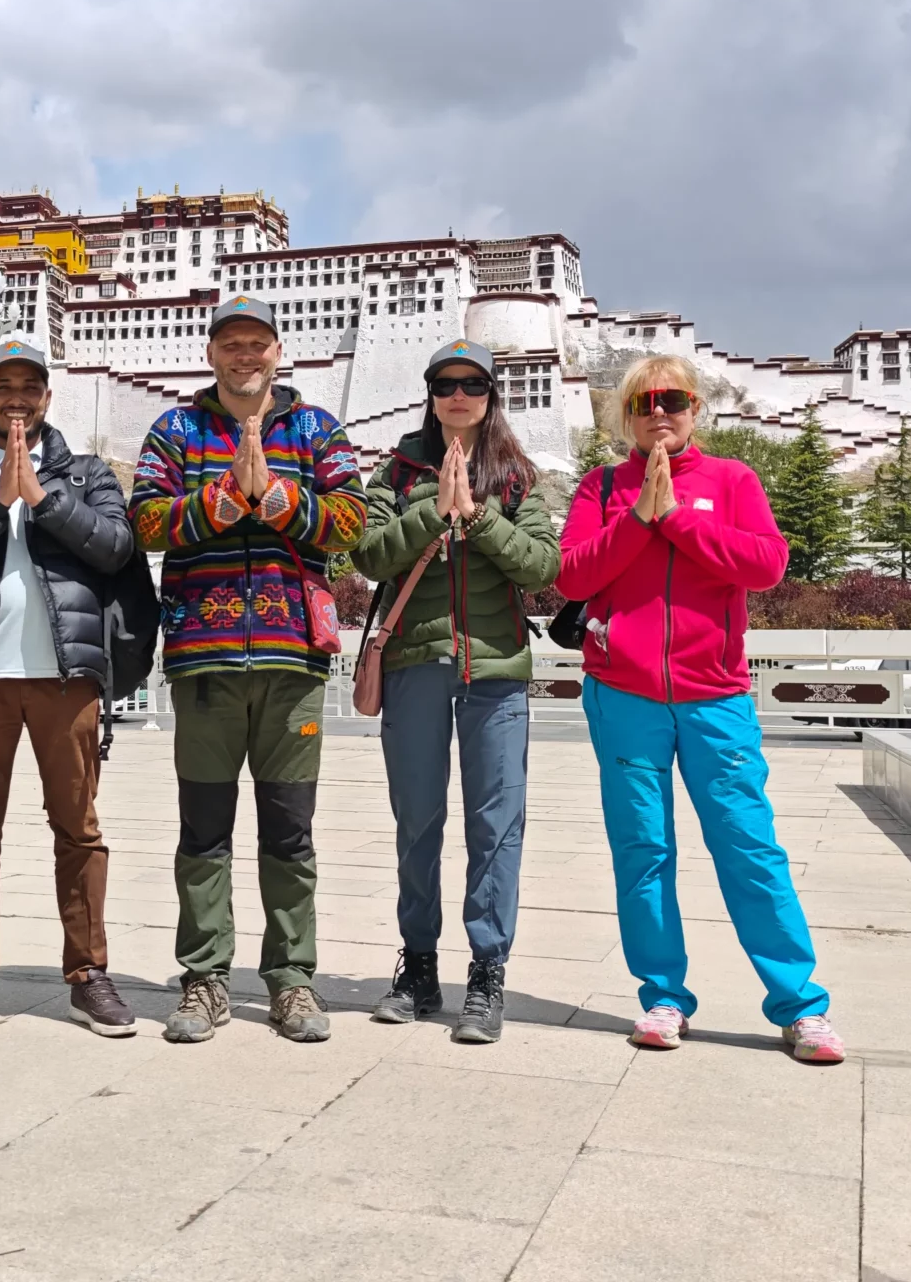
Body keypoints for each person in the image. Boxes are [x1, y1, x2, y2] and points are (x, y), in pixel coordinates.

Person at [556, 355, 843, 1064]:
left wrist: (676, 521)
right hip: (623, 695)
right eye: (645, 402)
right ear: (626, 416)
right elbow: (573, 573)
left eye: (674, 400)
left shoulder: (733, 480)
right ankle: (661, 998)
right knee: (644, 851)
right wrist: (639, 519)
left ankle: (800, 1006)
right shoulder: (602, 486)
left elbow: (766, 565)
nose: (660, 413)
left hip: (716, 697)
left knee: (749, 848)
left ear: (696, 409)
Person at [130, 295, 367, 1044]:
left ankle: (292, 978)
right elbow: (143, 521)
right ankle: (204, 976)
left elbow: (354, 521)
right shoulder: (175, 430)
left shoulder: (318, 429)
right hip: (203, 660)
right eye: (231, 343)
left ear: (277, 350)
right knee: (203, 829)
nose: (245, 355)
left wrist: (278, 497)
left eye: (257, 343)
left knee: (290, 829)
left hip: (293, 658)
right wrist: (225, 499)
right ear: (211, 353)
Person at [0, 339, 140, 1041]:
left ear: (47, 396)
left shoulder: (88, 471)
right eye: (2, 386)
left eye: (29, 386)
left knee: (79, 830)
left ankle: (89, 973)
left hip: (66, 677)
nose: (16, 398)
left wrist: (41, 499)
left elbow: (116, 547)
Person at [353, 340, 560, 1044]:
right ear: (431, 394)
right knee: (418, 821)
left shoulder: (516, 476)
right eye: (446, 384)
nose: (459, 395)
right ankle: (417, 966)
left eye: (473, 384)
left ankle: (487, 972)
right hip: (416, 662)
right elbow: (369, 554)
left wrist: (477, 516)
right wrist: (431, 514)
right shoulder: (400, 468)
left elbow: (541, 566)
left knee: (495, 824)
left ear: (491, 394)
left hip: (496, 670)